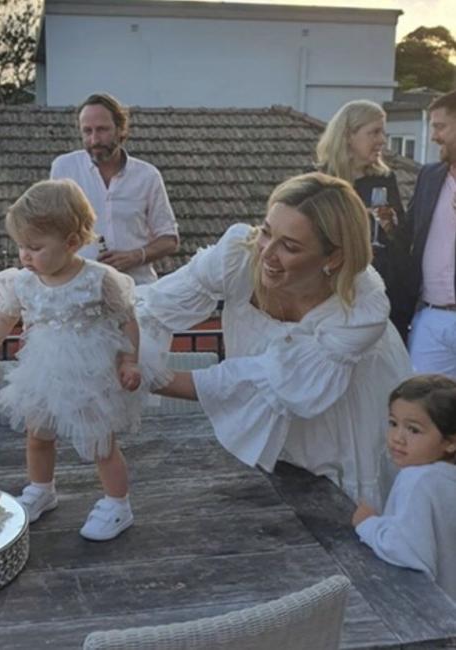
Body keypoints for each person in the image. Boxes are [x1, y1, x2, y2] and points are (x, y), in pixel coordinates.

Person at [138, 172, 412, 509]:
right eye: (268, 231)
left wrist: (148, 377)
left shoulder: (360, 310)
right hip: (284, 415)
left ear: (334, 258)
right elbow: (154, 306)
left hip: (346, 411)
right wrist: (110, 342)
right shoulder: (239, 255)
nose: (267, 252)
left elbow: (271, 380)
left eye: (290, 246)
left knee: (344, 511)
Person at [0, 179, 161, 541]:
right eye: (21, 247)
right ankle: (42, 488)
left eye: (35, 247)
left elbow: (126, 321)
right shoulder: (25, 283)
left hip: (90, 371)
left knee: (99, 442)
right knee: (38, 435)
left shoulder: (99, 280)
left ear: (72, 242)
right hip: (43, 370)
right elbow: (3, 318)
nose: (25, 256)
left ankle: (117, 504)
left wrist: (130, 361)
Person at [50, 92, 179, 285]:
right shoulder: (63, 168)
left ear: (120, 129)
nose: (94, 140)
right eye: (87, 131)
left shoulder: (148, 176)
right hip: (78, 291)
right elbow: (50, 230)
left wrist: (136, 256)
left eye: (102, 130)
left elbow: (170, 240)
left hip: (137, 291)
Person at [352, 375, 456, 601]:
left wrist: (368, 524)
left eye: (414, 430)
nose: (398, 438)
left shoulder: (418, 479)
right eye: (393, 423)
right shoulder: (444, 476)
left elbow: (405, 549)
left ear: (450, 442)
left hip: (432, 614)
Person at [316, 99, 413, 341]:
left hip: (385, 296)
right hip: (339, 297)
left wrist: (392, 227)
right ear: (348, 135)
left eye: (383, 132)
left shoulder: (385, 179)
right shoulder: (321, 182)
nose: (382, 140)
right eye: (374, 132)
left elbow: (402, 241)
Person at [406, 90, 456, 377]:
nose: (434, 136)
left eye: (440, 127)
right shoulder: (429, 176)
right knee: (423, 410)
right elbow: (407, 236)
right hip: (431, 319)